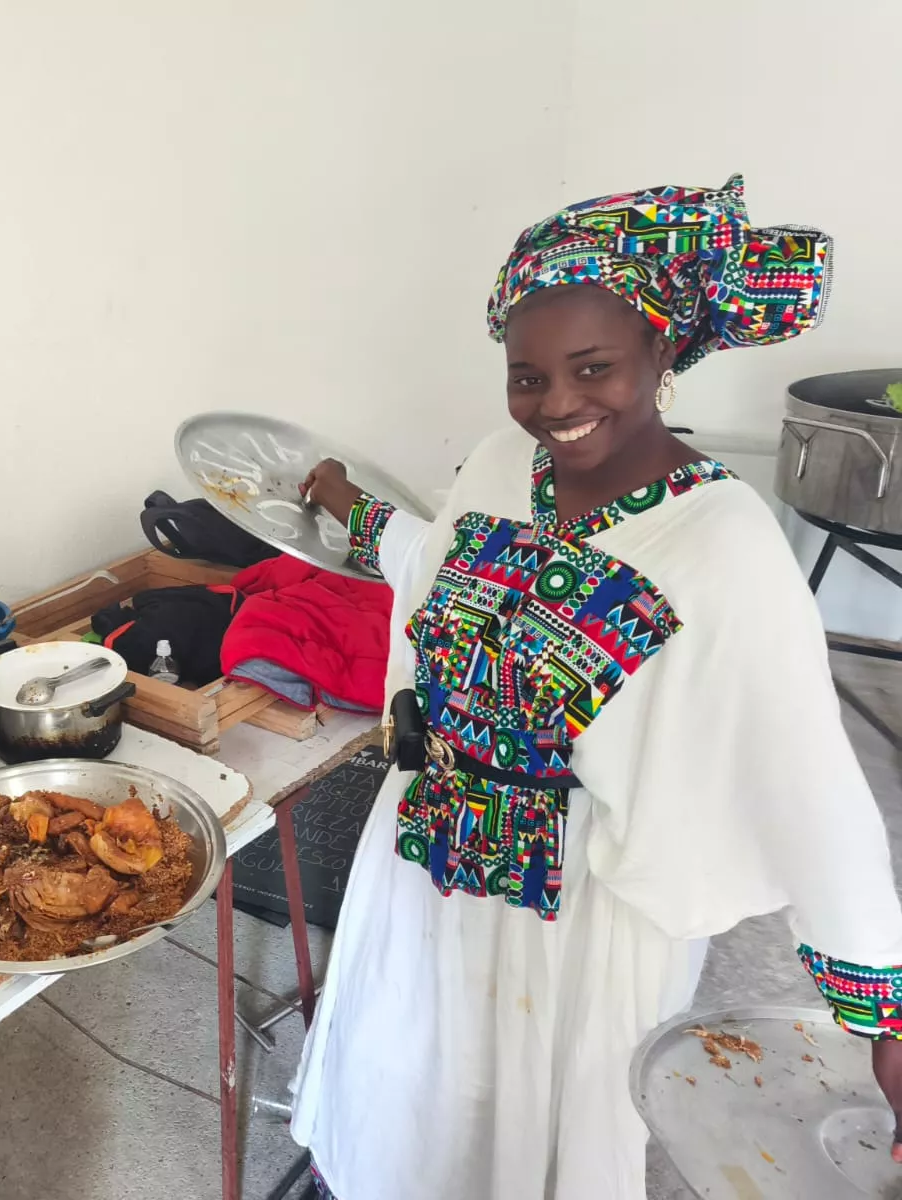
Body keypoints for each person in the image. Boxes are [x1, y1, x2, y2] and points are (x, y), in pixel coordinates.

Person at [289, 176, 902, 1199]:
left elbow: (809, 783)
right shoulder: (496, 463)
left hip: (582, 909)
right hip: (426, 857)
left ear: (663, 355)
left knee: (541, 1133)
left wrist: (881, 1010)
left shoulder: (723, 546)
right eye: (527, 377)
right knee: (408, 1086)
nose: (556, 406)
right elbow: (443, 568)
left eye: (592, 368)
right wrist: (355, 512)